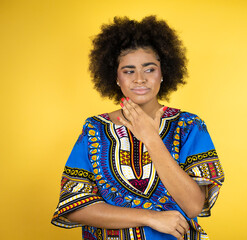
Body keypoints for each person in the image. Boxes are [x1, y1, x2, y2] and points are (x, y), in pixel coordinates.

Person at [51, 15, 224, 240]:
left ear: (163, 74)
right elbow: (73, 206)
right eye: (129, 71)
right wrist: (150, 217)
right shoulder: (94, 129)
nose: (139, 79)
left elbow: (193, 206)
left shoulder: (189, 126)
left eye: (149, 69)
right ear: (116, 78)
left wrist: (151, 139)